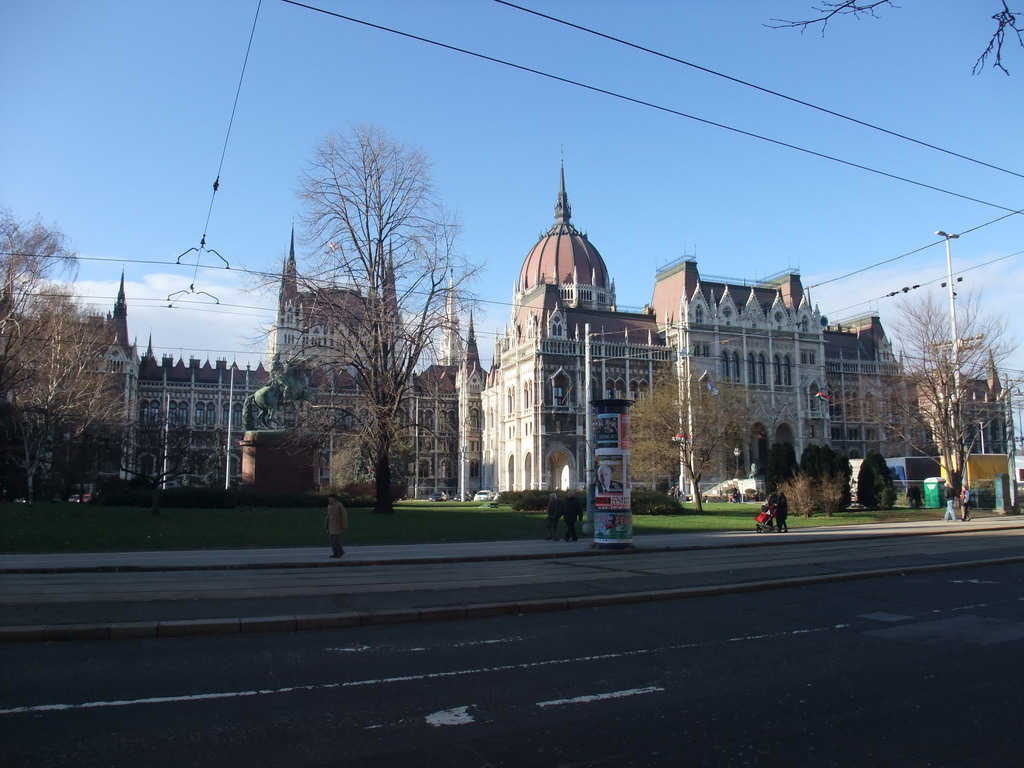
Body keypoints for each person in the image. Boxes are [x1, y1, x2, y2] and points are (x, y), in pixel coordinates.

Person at [325, 493, 348, 558]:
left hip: (337, 525)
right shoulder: (329, 506)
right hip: (331, 526)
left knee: (336, 540)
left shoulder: (339, 505)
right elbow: (328, 516)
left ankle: (340, 551)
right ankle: (335, 552)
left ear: (334, 499)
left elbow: (344, 515)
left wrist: (345, 525)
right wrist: (326, 525)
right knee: (332, 540)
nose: (329, 500)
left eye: (331, 498)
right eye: (329, 499)